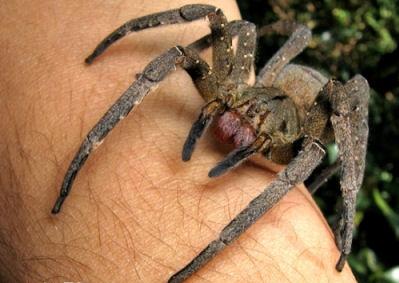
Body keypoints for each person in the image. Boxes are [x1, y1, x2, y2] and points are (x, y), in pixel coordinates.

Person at [0, 1, 356, 282]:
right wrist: (185, 43)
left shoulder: (303, 142)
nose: (247, 118)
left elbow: (340, 120)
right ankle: (83, 156)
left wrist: (347, 210)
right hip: (272, 79)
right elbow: (231, 28)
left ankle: (210, 254)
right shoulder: (230, 83)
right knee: (212, 31)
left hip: (301, 116)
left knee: (334, 118)